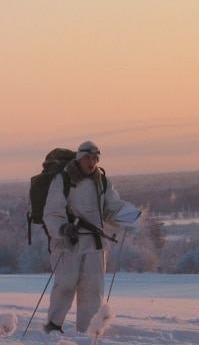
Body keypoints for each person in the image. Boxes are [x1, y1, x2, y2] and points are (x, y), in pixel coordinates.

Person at [43, 140, 133, 333]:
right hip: (68, 243)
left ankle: (88, 332)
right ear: (79, 159)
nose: (91, 162)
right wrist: (62, 228)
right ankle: (52, 327)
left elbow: (112, 208)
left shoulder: (102, 181)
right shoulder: (63, 180)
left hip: (94, 245)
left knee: (93, 292)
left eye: (95, 158)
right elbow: (51, 212)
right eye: (87, 158)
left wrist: (132, 217)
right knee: (64, 288)